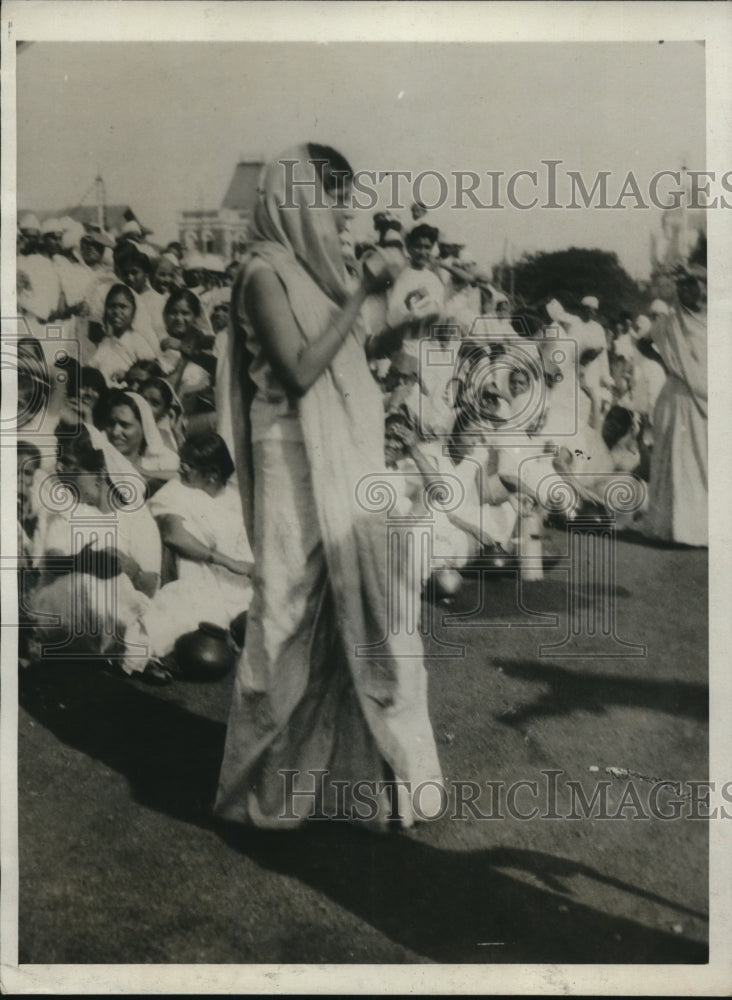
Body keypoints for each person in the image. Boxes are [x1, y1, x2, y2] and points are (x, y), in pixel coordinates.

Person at [215, 144, 443, 829]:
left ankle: (367, 781)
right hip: (290, 461)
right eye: (335, 196)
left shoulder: (317, 273)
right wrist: (363, 295)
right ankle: (266, 789)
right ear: (298, 199)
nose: (344, 212)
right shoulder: (263, 271)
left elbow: (344, 357)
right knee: (286, 616)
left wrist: (393, 325)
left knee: (369, 606)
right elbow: (298, 371)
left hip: (342, 458)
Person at [28, 421, 162, 673]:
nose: (64, 474)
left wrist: (128, 567)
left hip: (115, 609)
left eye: (75, 470)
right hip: (67, 606)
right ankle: (119, 652)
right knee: (87, 584)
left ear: (99, 474)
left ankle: (114, 649)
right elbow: (52, 561)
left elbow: (149, 587)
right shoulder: (69, 510)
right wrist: (83, 561)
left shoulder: (138, 518)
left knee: (114, 585)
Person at [123, 433, 254, 684]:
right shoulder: (177, 490)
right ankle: (139, 656)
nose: (180, 468)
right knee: (183, 612)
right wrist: (227, 562)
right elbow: (175, 536)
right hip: (190, 573)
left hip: (233, 584)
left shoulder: (235, 499)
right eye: (182, 460)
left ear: (213, 474)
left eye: (189, 464)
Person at [642, 271, 707, 546]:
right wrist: (666, 363)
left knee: (702, 458)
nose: (686, 292)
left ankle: (701, 528)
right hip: (675, 395)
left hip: (706, 397)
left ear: (703, 290)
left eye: (692, 287)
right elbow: (642, 342)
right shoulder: (669, 323)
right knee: (673, 460)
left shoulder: (715, 322)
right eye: (682, 287)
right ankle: (670, 528)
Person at [104, 389, 180, 487]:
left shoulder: (155, 468)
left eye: (125, 425)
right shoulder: (98, 459)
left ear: (144, 428)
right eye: (111, 424)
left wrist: (140, 470)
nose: (115, 432)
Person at [89, 284, 158, 386]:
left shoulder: (137, 341)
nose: (117, 311)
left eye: (123, 307)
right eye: (112, 306)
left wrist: (128, 375)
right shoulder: (105, 342)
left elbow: (152, 372)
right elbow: (92, 367)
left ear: (133, 311)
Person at [140, 376, 185, 452]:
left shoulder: (163, 447)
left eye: (154, 403)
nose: (145, 405)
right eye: (142, 398)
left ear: (164, 412)